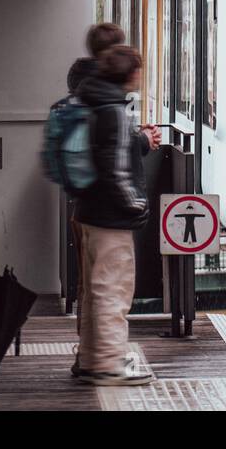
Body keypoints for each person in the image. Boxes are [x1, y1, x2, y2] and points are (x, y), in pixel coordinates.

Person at [73, 44, 155, 386]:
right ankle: (108, 365)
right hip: (111, 218)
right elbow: (116, 170)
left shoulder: (89, 102)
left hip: (89, 212)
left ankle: (90, 359)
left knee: (95, 291)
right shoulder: (115, 112)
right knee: (113, 292)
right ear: (130, 74)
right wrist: (135, 204)